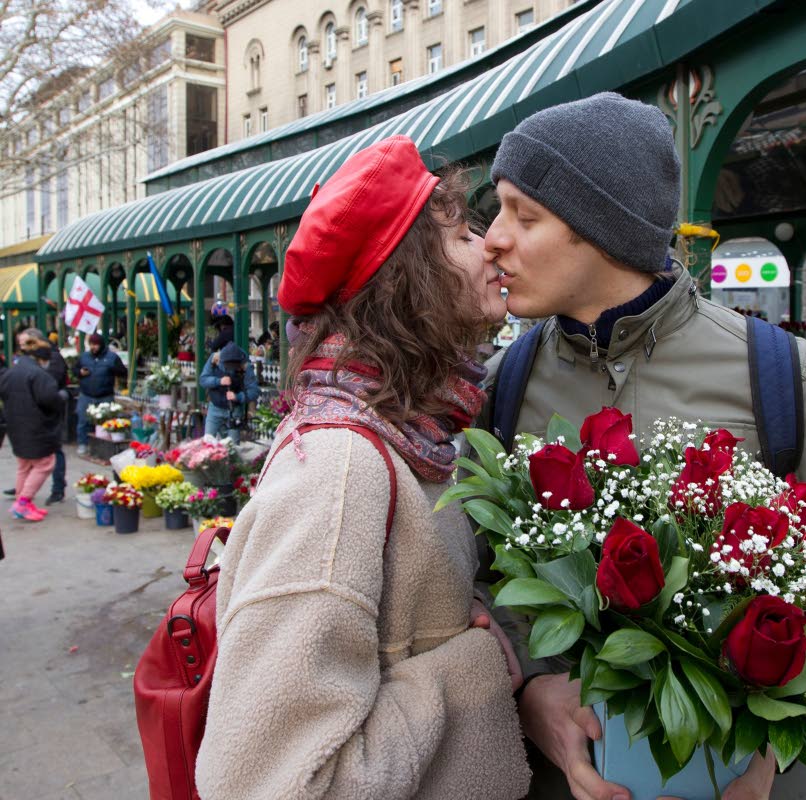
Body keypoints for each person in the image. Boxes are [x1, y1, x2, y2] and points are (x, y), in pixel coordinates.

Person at [480, 92, 806, 800]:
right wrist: (528, 698)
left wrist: (768, 754)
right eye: (498, 210)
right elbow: (475, 588)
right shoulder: (504, 383)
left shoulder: (779, 374)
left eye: (526, 215)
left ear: (602, 229)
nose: (492, 237)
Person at [195, 135, 529, 799]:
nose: (492, 246)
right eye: (465, 234)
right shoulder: (342, 469)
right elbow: (268, 783)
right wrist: (473, 667)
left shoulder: (418, 435)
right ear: (411, 281)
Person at [0, 345, 65, 521]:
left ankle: (22, 504)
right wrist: (62, 398)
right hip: (35, 427)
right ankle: (23, 502)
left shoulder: (11, 372)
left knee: (24, 465)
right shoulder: (39, 375)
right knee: (45, 463)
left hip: (15, 426)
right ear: (42, 360)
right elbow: (50, 399)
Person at [15, 328, 68, 502]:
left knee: (53, 451)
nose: (22, 347)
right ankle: (22, 492)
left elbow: (50, 385)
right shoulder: (29, 364)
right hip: (33, 413)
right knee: (27, 458)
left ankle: (57, 488)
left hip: (47, 414)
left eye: (25, 343)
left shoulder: (52, 358)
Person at [73, 333, 128, 454]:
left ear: (101, 345)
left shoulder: (112, 357)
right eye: (91, 344)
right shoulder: (84, 357)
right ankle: (83, 444)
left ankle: (105, 446)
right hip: (86, 394)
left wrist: (114, 369)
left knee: (107, 422)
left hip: (105, 395)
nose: (93, 347)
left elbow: (123, 372)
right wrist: (80, 372)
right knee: (83, 421)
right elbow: (75, 369)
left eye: (96, 344)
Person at [199, 342, 261, 443]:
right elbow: (203, 380)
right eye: (226, 365)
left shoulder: (246, 366)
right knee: (208, 442)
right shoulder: (214, 359)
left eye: (233, 366)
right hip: (215, 408)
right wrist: (219, 381)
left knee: (232, 446)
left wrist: (238, 396)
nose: (230, 369)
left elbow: (254, 391)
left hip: (234, 410)